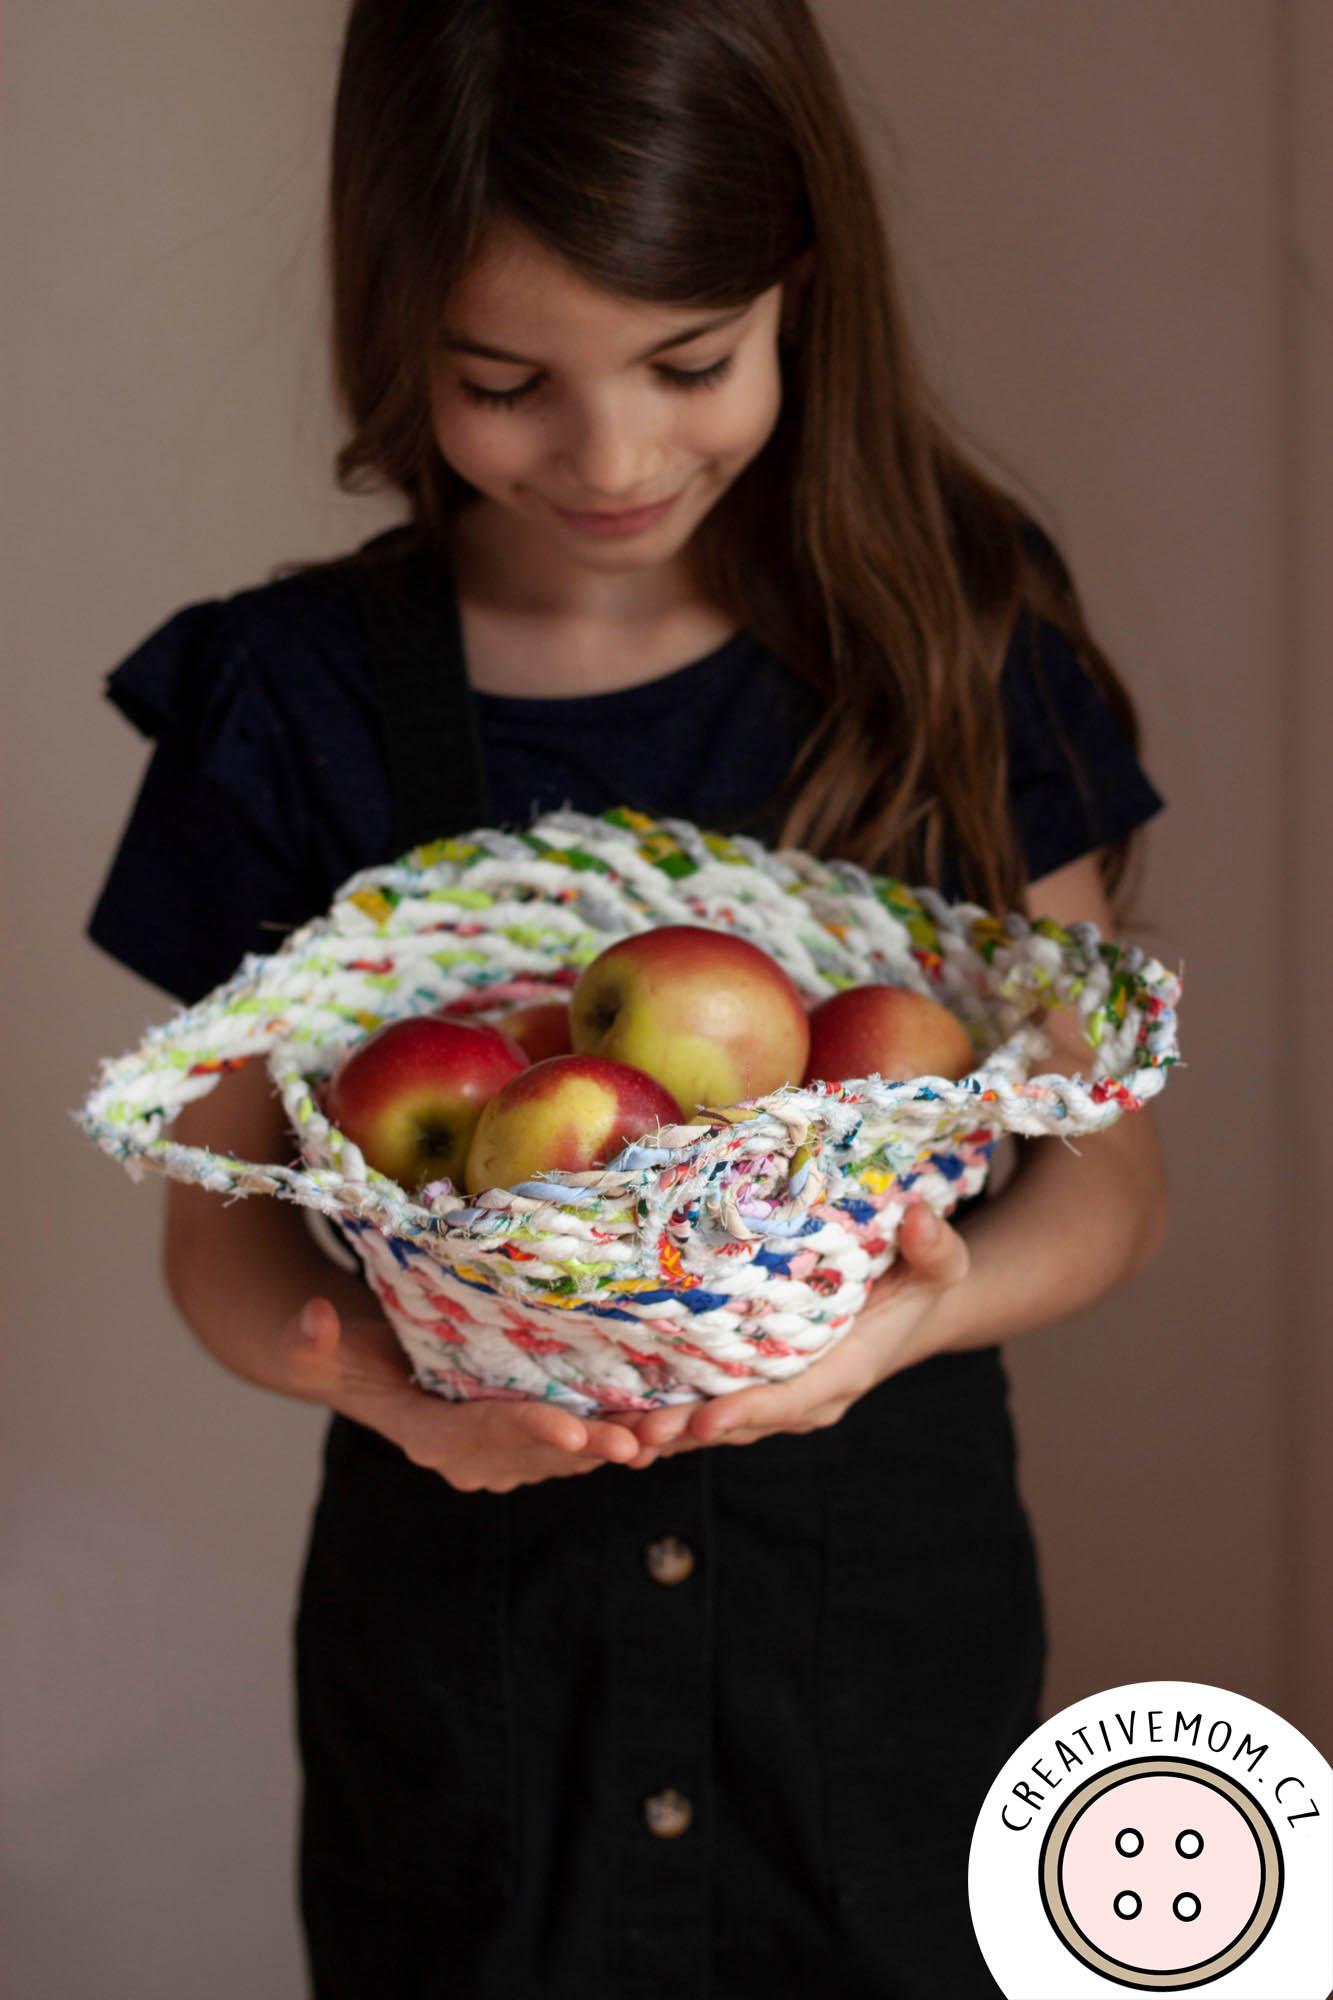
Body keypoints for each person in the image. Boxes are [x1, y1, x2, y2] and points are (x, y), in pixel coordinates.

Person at [83, 3, 1171, 1994]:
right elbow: (218, 1247)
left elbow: (1107, 1188)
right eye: (506, 381)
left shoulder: (951, 638)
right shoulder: (291, 707)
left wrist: (917, 1317)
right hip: (473, 1706)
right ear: (397, 319)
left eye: (691, 363)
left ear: (795, 292)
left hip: (876, 1677)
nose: (610, 456)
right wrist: (392, 1399)